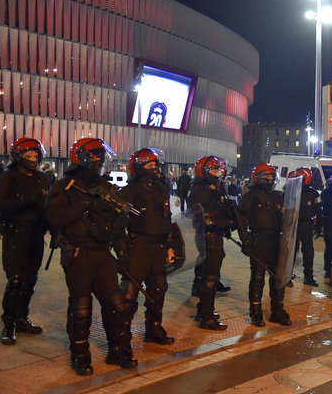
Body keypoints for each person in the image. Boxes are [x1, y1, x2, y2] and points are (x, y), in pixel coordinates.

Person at [44, 138, 136, 376]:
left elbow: (116, 225)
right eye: (97, 158)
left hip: (102, 252)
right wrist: (85, 204)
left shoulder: (105, 187)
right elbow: (54, 218)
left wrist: (123, 253)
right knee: (81, 308)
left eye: (101, 158)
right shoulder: (65, 186)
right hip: (78, 252)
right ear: (84, 158)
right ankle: (80, 355)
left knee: (117, 305)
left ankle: (118, 350)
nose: (101, 163)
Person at [0, 138, 51, 346]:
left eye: (35, 156)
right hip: (16, 235)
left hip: (36, 234)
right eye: (28, 156)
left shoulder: (42, 179)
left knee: (30, 279)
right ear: (18, 158)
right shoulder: (8, 177)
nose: (33, 160)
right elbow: (1, 203)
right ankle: (8, 323)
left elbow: (48, 207)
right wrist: (26, 201)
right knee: (16, 279)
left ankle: (21, 317)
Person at [117, 148, 177, 343]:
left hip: (158, 246)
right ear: (139, 168)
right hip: (138, 245)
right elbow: (117, 224)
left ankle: (154, 329)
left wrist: (169, 245)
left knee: (159, 288)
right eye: (150, 166)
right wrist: (122, 251)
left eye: (155, 165)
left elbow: (165, 219)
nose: (154, 169)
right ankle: (122, 336)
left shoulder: (161, 189)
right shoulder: (128, 192)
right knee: (129, 293)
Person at [240, 163, 291, 327]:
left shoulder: (278, 195)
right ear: (258, 178)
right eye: (266, 176)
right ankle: (255, 312)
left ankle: (277, 309)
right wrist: (246, 240)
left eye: (271, 176)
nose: (270, 180)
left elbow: (287, 217)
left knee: (278, 278)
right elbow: (242, 221)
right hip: (258, 239)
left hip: (276, 239)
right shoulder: (250, 196)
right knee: (257, 277)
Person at [187, 156, 233, 331]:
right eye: (213, 170)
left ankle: (203, 310)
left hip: (213, 236)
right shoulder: (200, 190)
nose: (217, 173)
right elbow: (202, 217)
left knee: (209, 274)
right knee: (210, 277)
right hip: (208, 237)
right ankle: (207, 317)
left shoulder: (212, 188)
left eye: (217, 170)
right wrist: (223, 223)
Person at [289, 168, 320, 286]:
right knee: (292, 250)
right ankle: (289, 274)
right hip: (295, 223)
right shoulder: (292, 191)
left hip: (305, 224)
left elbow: (318, 210)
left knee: (307, 251)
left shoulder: (313, 193)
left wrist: (319, 225)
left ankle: (308, 276)